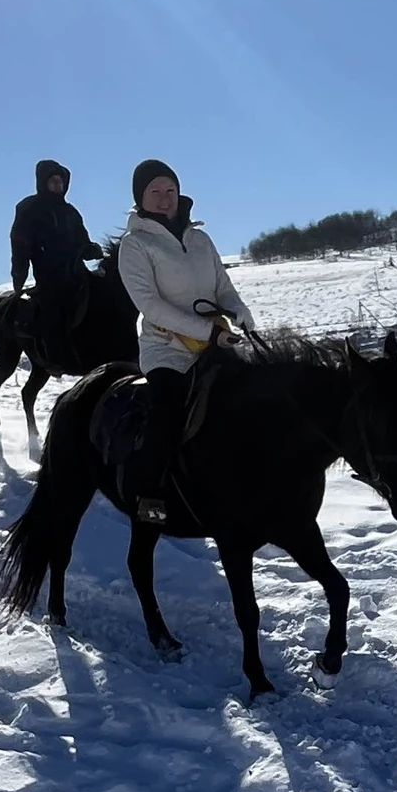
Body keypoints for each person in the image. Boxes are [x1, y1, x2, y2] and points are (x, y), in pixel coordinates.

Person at [118, 159, 255, 524]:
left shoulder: (200, 239)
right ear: (140, 198)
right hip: (166, 350)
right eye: (155, 192)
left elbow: (222, 288)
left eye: (170, 191)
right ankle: (151, 495)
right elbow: (149, 304)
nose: (165, 199)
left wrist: (239, 311)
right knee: (167, 412)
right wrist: (207, 332)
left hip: (216, 343)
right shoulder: (135, 244)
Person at [10, 160, 103, 373]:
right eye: (53, 181)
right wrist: (18, 276)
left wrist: (91, 249)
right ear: (43, 182)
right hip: (49, 273)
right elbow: (20, 245)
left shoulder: (71, 212)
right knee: (54, 307)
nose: (58, 185)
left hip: (77, 270)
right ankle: (55, 358)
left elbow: (82, 239)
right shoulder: (29, 209)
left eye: (61, 181)